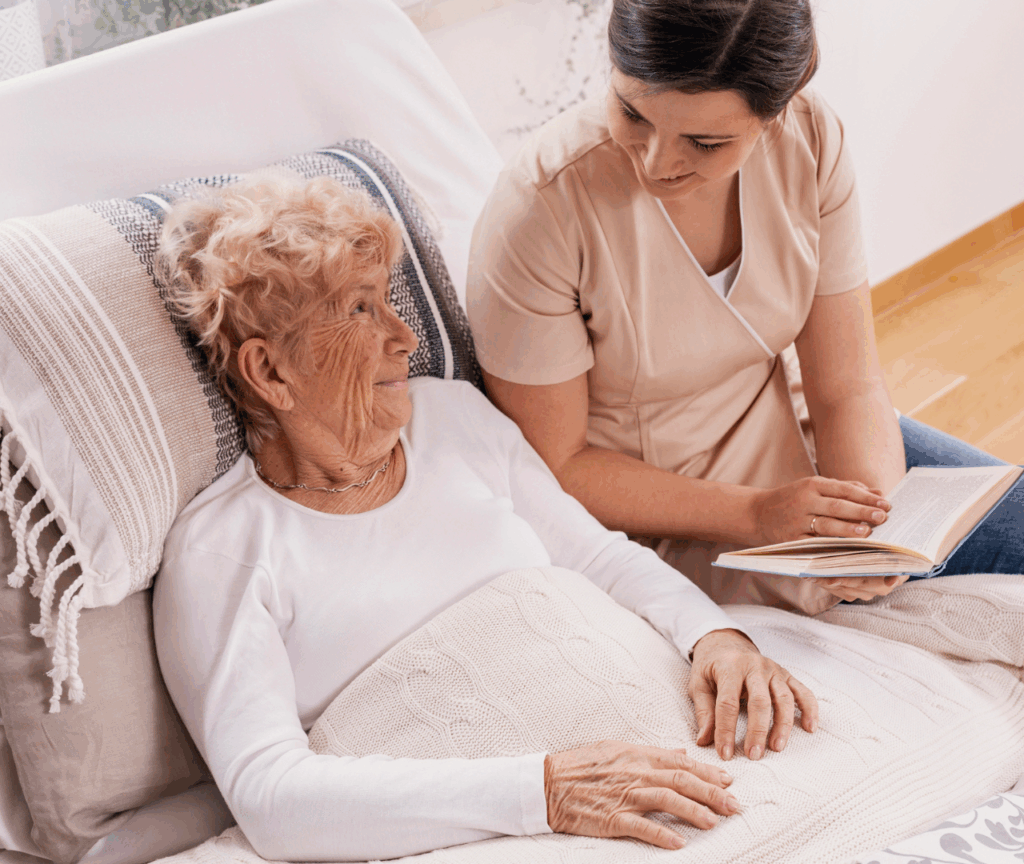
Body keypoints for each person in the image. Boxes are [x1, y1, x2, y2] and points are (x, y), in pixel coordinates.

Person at [151, 176, 818, 862]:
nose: (404, 337)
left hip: (675, 750)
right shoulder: (221, 552)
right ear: (270, 371)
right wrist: (545, 791)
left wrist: (715, 636)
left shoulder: (453, 417)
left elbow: (597, 557)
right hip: (515, 825)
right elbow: (273, 798)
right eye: (359, 309)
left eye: (389, 301)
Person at [466, 0, 1024, 613]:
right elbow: (558, 467)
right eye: (632, 112)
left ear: (774, 114)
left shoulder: (811, 139)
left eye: (705, 142)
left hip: (791, 443)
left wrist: (869, 530)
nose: (656, 162)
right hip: (648, 513)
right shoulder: (540, 210)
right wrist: (758, 515)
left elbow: (847, 385)